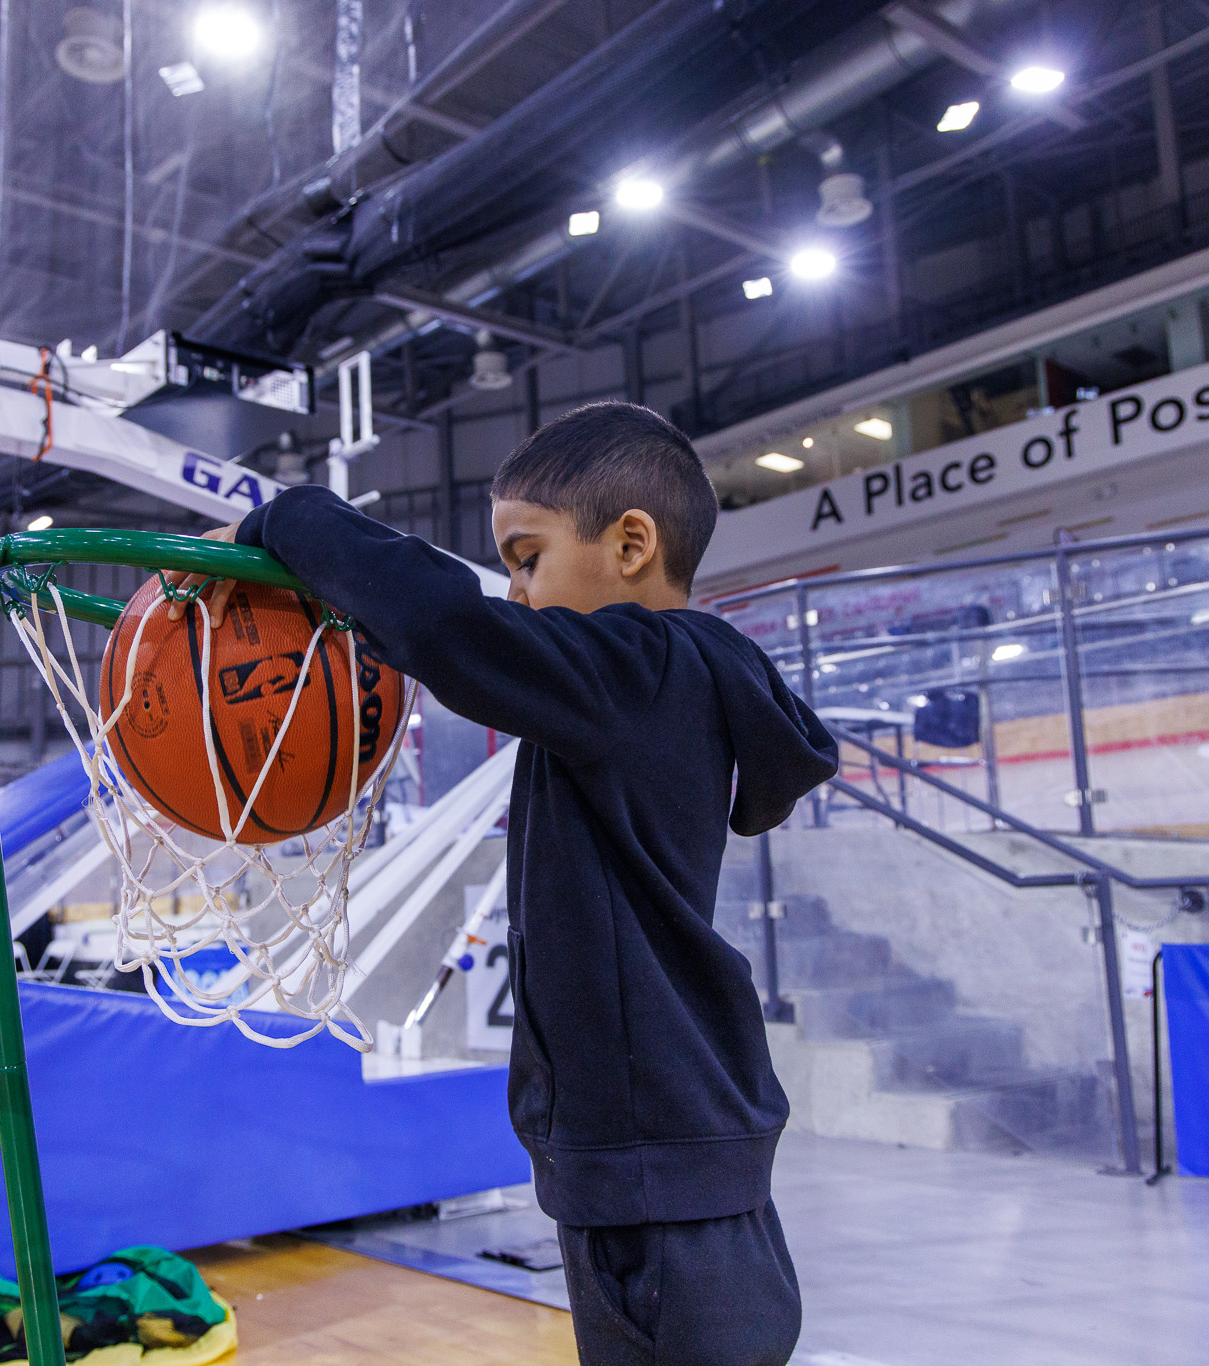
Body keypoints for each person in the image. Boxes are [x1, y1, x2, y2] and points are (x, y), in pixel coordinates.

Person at [179, 402, 837, 1366]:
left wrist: (283, 518)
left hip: (657, 1162)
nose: (517, 592)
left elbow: (448, 625)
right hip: (661, 1154)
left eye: (527, 560)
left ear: (632, 545)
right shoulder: (656, 689)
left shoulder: (641, 669)